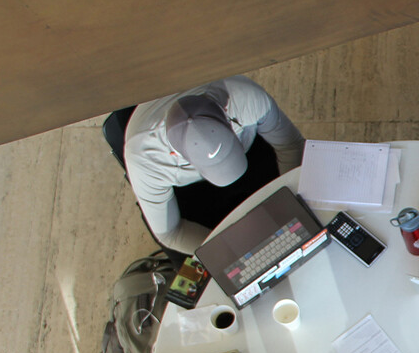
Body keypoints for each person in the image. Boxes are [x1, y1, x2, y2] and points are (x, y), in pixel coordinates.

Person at [124, 76, 306, 255]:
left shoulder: (244, 96)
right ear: (174, 154)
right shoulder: (143, 158)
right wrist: (231, 253)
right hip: (193, 193)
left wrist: (292, 204)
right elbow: (170, 233)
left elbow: (290, 146)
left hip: (252, 156)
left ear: (226, 115)